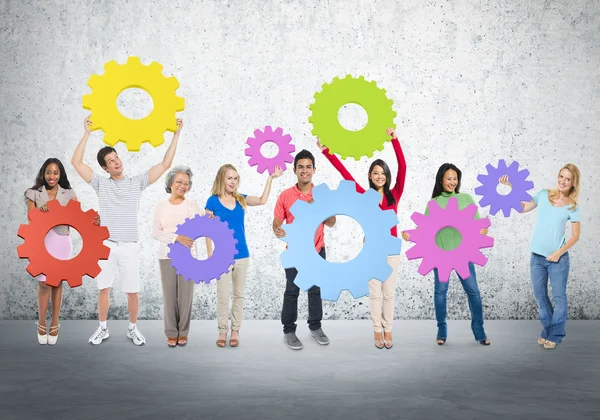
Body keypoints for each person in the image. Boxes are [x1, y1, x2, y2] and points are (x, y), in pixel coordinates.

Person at [71, 115, 183, 346]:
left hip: (130, 245)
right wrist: (86, 133)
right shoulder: (101, 184)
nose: (116, 162)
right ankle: (102, 328)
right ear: (105, 167)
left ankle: (133, 329)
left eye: (116, 158)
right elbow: (76, 163)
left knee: (132, 291)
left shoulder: (136, 183)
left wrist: (176, 134)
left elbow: (165, 165)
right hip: (106, 245)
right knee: (104, 288)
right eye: (110, 161)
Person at [317, 127, 406, 349]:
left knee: (389, 294)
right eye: (376, 173)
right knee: (375, 293)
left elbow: (403, 167)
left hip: (392, 249)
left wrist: (395, 140)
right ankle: (377, 331)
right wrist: (327, 151)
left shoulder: (394, 195)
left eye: (383, 173)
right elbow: (344, 174)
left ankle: (388, 329)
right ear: (369, 175)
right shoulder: (363, 195)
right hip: (372, 250)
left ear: (387, 177)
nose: (380, 176)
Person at [402, 163, 491, 346]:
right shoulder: (433, 203)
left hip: (463, 255)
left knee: (473, 292)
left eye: (455, 179)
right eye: (449, 178)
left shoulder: (466, 198)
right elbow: (425, 230)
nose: (452, 182)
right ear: (441, 180)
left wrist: (483, 231)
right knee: (440, 292)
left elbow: (480, 224)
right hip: (441, 255)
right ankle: (441, 331)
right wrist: (410, 235)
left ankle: (479, 331)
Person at [499, 164, 581, 349]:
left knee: (559, 298)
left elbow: (576, 235)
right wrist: (512, 188)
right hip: (537, 257)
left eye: (567, 179)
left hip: (558, 260)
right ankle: (548, 330)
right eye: (561, 176)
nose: (563, 181)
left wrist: (558, 253)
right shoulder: (544, 195)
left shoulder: (572, 206)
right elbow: (523, 208)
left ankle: (555, 335)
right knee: (540, 297)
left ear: (573, 183)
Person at [205, 164, 283, 348]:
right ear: (221, 180)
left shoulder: (241, 199)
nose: (233, 181)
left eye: (235, 178)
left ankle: (235, 331)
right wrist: (209, 255)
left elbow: (263, 200)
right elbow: (206, 230)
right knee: (223, 296)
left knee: (239, 295)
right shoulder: (212, 201)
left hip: (242, 255)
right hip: (221, 257)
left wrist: (270, 178)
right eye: (229, 178)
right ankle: (222, 330)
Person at [25, 158, 96, 345]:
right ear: (43, 173)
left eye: (55, 173)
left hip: (62, 241)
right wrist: (40, 210)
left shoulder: (69, 193)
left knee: (56, 283)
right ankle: (41, 323)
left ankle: (55, 323)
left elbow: (78, 217)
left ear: (60, 175)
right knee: (43, 284)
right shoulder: (33, 193)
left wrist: (93, 222)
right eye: (48, 172)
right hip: (42, 241)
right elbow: (30, 218)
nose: (51, 176)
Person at [272, 150, 336, 350]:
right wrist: (277, 229)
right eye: (301, 167)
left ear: (314, 170)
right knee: (292, 291)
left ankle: (315, 327)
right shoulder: (285, 195)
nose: (305, 170)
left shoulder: (322, 194)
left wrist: (320, 208)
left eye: (308, 166)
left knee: (315, 290)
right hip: (294, 252)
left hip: (317, 250)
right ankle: (289, 331)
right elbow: (277, 223)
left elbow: (332, 222)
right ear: (295, 170)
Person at [152, 166, 202, 348]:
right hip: (166, 256)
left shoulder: (192, 205)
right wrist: (177, 238)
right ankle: (171, 332)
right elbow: (156, 233)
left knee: (186, 296)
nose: (183, 186)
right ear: (171, 183)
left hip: (189, 256)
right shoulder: (161, 206)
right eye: (179, 182)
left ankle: (184, 332)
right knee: (170, 296)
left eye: (187, 183)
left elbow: (200, 226)